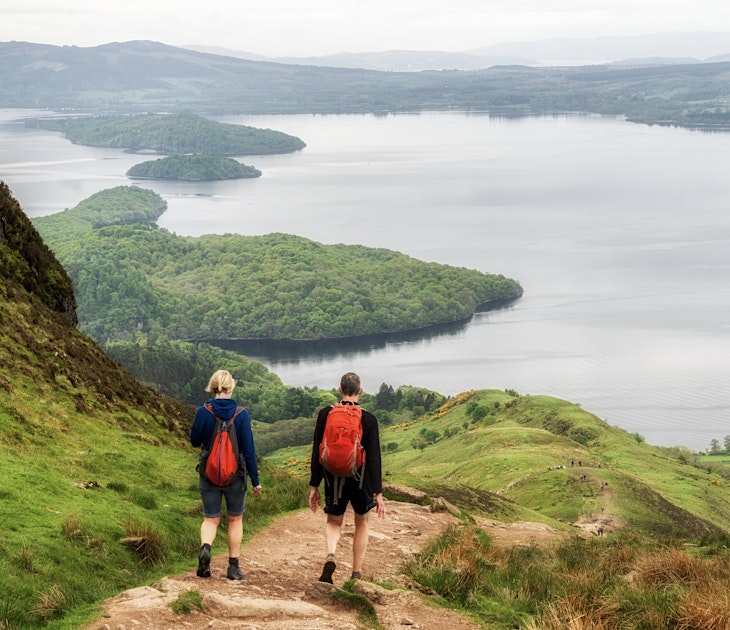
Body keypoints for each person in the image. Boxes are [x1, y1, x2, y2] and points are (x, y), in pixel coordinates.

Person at [309, 372, 387, 583]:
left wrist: (314, 485)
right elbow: (374, 457)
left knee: (334, 521)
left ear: (340, 389)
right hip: (361, 479)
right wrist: (378, 492)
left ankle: (331, 554)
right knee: (362, 522)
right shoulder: (368, 419)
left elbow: (317, 450)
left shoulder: (326, 414)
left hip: (333, 477)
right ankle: (356, 573)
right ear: (360, 391)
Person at [190, 369, 262, 580]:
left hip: (209, 474)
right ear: (231, 388)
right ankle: (233, 567)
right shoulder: (241, 414)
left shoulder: (204, 412)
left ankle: (205, 548)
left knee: (210, 519)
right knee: (234, 519)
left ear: (213, 388)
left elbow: (194, 441)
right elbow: (248, 450)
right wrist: (256, 481)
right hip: (236, 476)